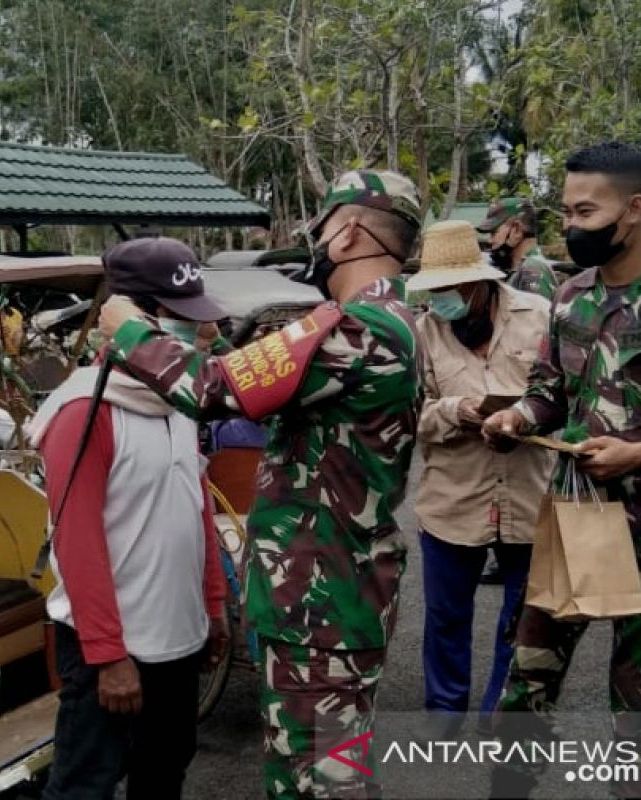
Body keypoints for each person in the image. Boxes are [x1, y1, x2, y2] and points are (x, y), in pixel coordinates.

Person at [99, 170, 425, 798]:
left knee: (321, 781)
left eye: (322, 226)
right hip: (328, 598)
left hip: (321, 607)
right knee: (328, 770)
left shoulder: (360, 328)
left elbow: (217, 391)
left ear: (349, 231)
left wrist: (131, 332)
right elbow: (262, 378)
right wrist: (213, 343)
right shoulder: (377, 318)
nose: (315, 238)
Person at [482, 142, 641, 798]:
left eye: (585, 210)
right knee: (526, 684)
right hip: (577, 524)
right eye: (567, 211)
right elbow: (549, 388)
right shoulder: (571, 296)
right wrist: (518, 418)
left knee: (640, 711)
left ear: (632, 210)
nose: (571, 226)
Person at [29, 236, 229, 800]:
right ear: (135, 316)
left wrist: (213, 607)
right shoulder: (83, 410)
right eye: (181, 319)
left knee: (164, 774)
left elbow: (197, 508)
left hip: (179, 640)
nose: (198, 333)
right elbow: (78, 542)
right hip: (112, 653)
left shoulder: (182, 402)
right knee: (83, 785)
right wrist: (109, 656)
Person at [407, 220, 556, 740]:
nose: (441, 301)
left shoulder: (540, 318)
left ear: (478, 283)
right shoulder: (423, 332)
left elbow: (567, 398)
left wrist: (523, 419)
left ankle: (502, 710)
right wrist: (457, 410)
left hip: (529, 498)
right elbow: (410, 417)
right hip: (452, 500)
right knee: (445, 617)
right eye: (434, 292)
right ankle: (444, 715)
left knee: (520, 619)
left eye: (449, 290)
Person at [476, 197, 560, 301]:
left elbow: (532, 316)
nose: (490, 240)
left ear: (516, 230)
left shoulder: (532, 269)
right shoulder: (517, 270)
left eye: (494, 233)